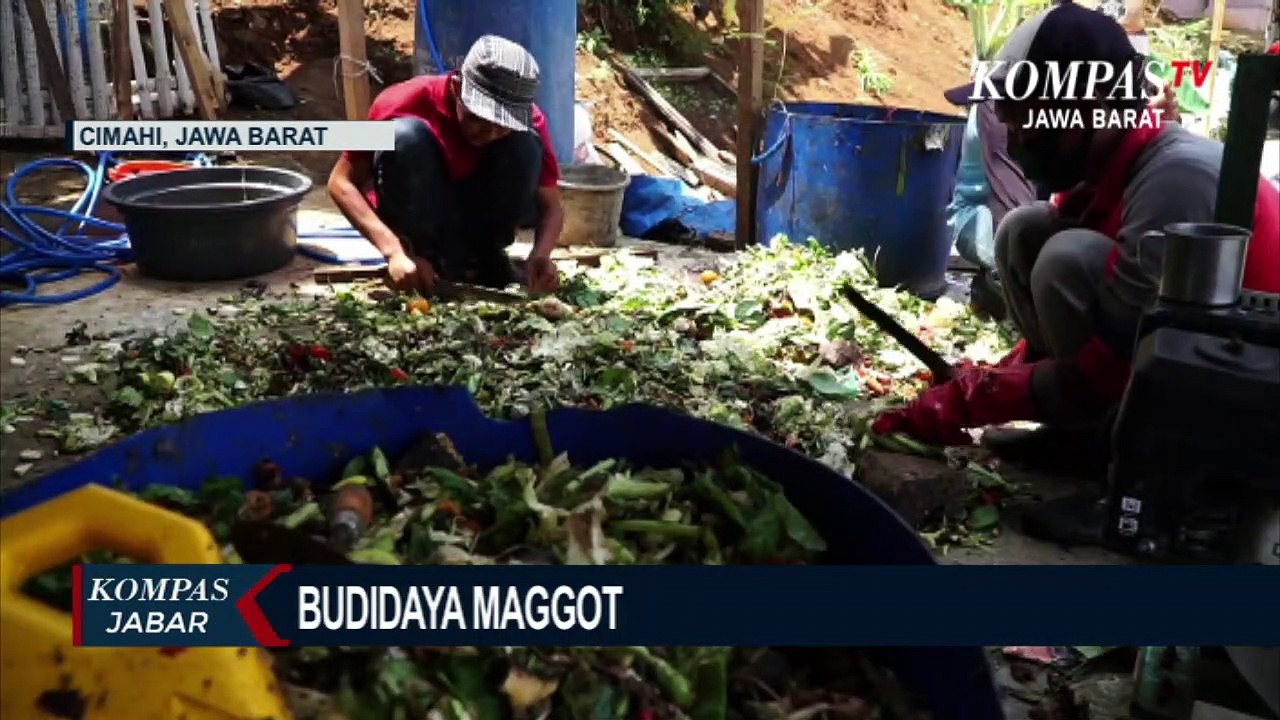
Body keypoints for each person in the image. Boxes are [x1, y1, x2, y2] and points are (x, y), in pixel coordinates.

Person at [873, 2, 1280, 466]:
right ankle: (1079, 431)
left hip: (1243, 398)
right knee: (1023, 230)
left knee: (1067, 257)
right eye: (1009, 121)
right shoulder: (1099, 169)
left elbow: (1112, 364)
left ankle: (1113, 454)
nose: (1016, 138)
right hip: (1174, 370)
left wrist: (976, 401)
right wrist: (991, 378)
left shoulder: (1175, 182)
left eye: (1028, 119)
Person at [328, 35, 564, 296]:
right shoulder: (400, 101)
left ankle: (484, 257)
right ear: (456, 87)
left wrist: (541, 254)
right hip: (423, 220)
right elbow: (340, 182)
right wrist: (394, 251)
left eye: (502, 126)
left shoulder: (531, 121)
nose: (489, 133)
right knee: (404, 137)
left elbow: (551, 205)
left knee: (525, 145)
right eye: (479, 119)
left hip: (481, 219)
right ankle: (428, 256)